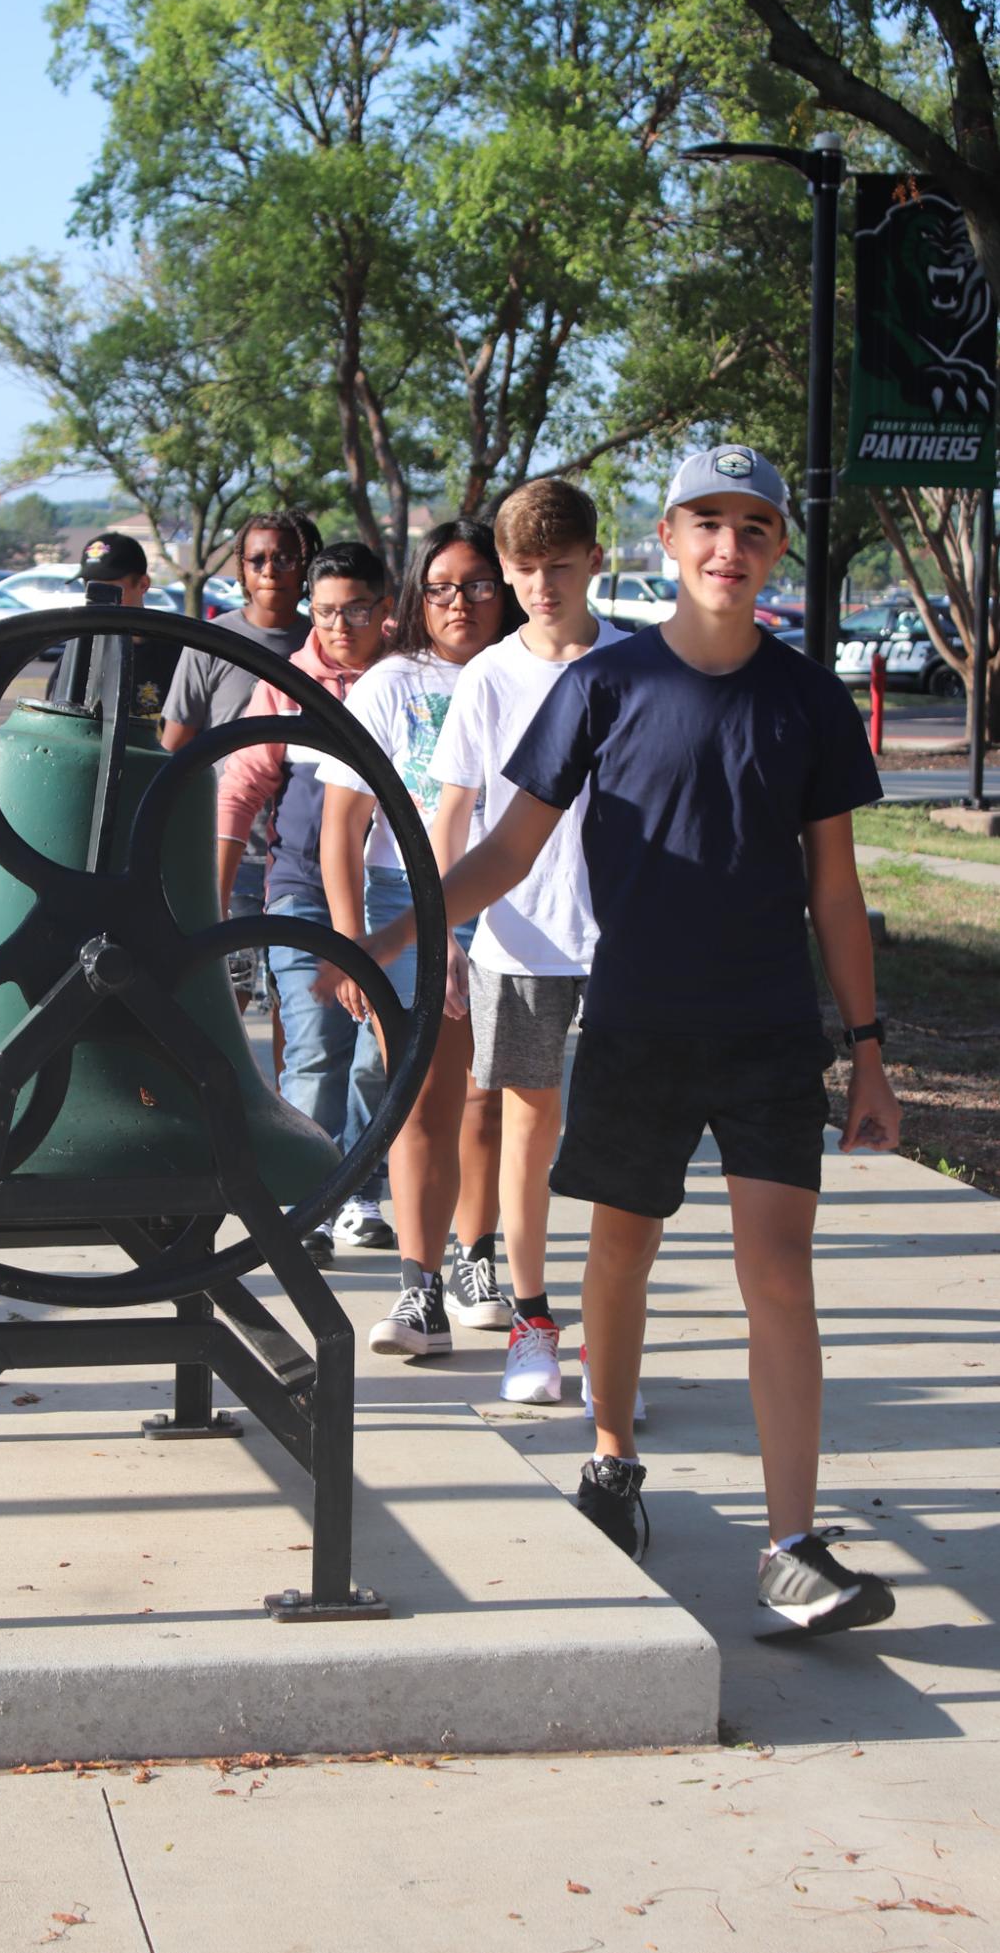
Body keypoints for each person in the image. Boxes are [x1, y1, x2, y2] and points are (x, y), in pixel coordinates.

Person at [355, 445, 901, 1639]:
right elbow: (504, 850)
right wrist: (399, 930)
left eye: (754, 527)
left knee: (779, 1278)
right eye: (707, 522)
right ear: (666, 538)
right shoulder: (602, 687)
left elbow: (838, 895)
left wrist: (865, 1051)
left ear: (775, 549)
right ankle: (610, 1465)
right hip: (636, 1021)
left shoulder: (804, 698)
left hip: (766, 1031)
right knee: (619, 1255)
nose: (729, 545)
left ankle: (793, 1546)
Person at [427, 478, 636, 1408]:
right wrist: (443, 927)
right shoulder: (487, 675)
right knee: (527, 1127)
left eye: (558, 567)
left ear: (597, 557)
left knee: (629, 1141)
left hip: (630, 943)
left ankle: (613, 1347)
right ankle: (530, 1324)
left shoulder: (642, 664)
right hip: (517, 939)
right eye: (523, 572)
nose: (541, 587)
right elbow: (455, 811)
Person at [317, 517, 509, 1356]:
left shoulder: (531, 671)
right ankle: (418, 1287)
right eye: (439, 588)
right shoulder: (391, 684)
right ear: (416, 600)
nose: (458, 602)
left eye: (475, 584)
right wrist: (353, 939)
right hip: (408, 903)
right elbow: (340, 825)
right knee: (419, 1098)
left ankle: (476, 1258)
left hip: (516, 906)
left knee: (487, 1100)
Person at [216, 541, 394, 1260]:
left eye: (355, 609)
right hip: (301, 889)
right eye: (323, 612)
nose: (339, 627)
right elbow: (241, 783)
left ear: (385, 609)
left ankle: (359, 1190)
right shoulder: (289, 682)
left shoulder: (408, 680)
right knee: (316, 1044)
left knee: (375, 1057)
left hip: (389, 893)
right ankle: (304, 1198)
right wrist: (213, 896)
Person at [162, 511, 318, 1028]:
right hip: (233, 852)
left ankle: (284, 1109)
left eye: (284, 558)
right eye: (258, 559)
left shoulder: (325, 642)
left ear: (305, 567)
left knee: (297, 1010)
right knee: (227, 1004)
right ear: (240, 570)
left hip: (304, 857)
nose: (270, 570)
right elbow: (175, 748)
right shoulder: (211, 641)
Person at [48, 530, 184, 725]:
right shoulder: (78, 655)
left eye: (110, 589)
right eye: (91, 588)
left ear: (143, 584)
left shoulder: (178, 653)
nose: (99, 599)